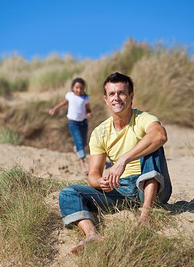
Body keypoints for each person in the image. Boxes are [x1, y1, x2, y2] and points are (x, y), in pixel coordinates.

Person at [59, 72, 172, 254]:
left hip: (153, 187)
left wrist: (123, 159)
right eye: (111, 94)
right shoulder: (100, 132)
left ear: (131, 96)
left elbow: (160, 135)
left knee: (153, 145)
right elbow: (93, 174)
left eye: (121, 93)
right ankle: (92, 236)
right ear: (105, 99)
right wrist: (100, 182)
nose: (116, 98)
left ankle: (145, 217)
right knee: (68, 193)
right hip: (121, 190)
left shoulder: (143, 119)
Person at [49, 77, 92, 174]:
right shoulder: (70, 95)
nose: (79, 90)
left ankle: (76, 148)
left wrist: (89, 113)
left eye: (81, 88)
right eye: (77, 87)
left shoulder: (85, 98)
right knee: (80, 143)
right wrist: (54, 109)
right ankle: (83, 166)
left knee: (84, 142)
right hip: (73, 123)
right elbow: (63, 103)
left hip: (84, 122)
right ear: (73, 88)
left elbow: (88, 109)